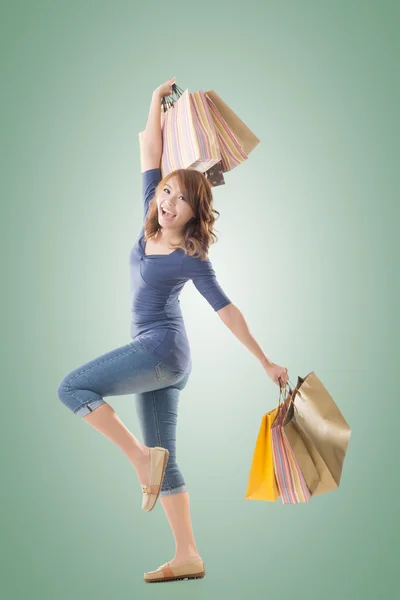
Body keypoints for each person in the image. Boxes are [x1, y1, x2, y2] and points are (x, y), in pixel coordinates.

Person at [57, 76, 289, 584]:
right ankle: (188, 554)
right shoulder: (149, 210)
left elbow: (226, 310)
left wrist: (265, 361)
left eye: (180, 200)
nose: (167, 202)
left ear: (194, 213)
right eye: (166, 191)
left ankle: (141, 460)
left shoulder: (191, 257)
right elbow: (149, 143)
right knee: (170, 460)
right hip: (160, 357)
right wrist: (155, 102)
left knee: (72, 387)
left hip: (162, 353)